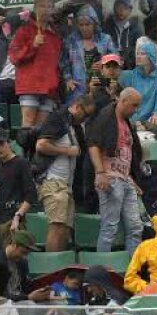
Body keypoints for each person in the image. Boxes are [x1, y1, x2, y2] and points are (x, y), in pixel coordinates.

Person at [87, 88, 145, 254]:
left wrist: (131, 180)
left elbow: (126, 155)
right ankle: (101, 272)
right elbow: (93, 145)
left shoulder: (126, 123)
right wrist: (100, 173)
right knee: (109, 227)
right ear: (123, 101)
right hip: (110, 178)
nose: (135, 110)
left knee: (135, 227)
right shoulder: (105, 117)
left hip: (125, 179)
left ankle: (131, 272)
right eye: (134, 105)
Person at [35, 95, 94, 252]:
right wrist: (67, 151)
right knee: (57, 227)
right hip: (53, 181)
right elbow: (41, 145)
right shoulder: (58, 118)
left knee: (65, 230)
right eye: (85, 114)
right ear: (76, 107)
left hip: (66, 185)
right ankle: (50, 270)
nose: (85, 119)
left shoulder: (73, 126)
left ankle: (59, 267)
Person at [8, 0, 63, 130]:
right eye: (41, 6)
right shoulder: (24, 31)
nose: (45, 10)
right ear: (35, 8)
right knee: (28, 125)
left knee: (42, 128)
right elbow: (14, 57)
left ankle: (37, 152)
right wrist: (32, 45)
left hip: (49, 87)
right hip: (30, 85)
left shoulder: (55, 35)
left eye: (49, 6)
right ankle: (26, 151)